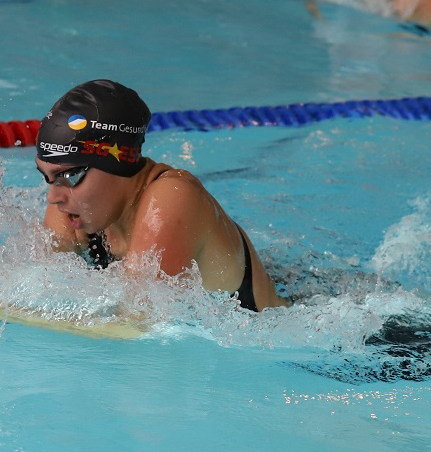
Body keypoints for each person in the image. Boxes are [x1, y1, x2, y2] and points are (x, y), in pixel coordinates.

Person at [35, 79, 288, 312]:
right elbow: (33, 280)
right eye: (47, 176)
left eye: (69, 176)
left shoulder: (172, 197)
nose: (53, 196)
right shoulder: (79, 206)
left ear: (116, 165)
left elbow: (134, 321)